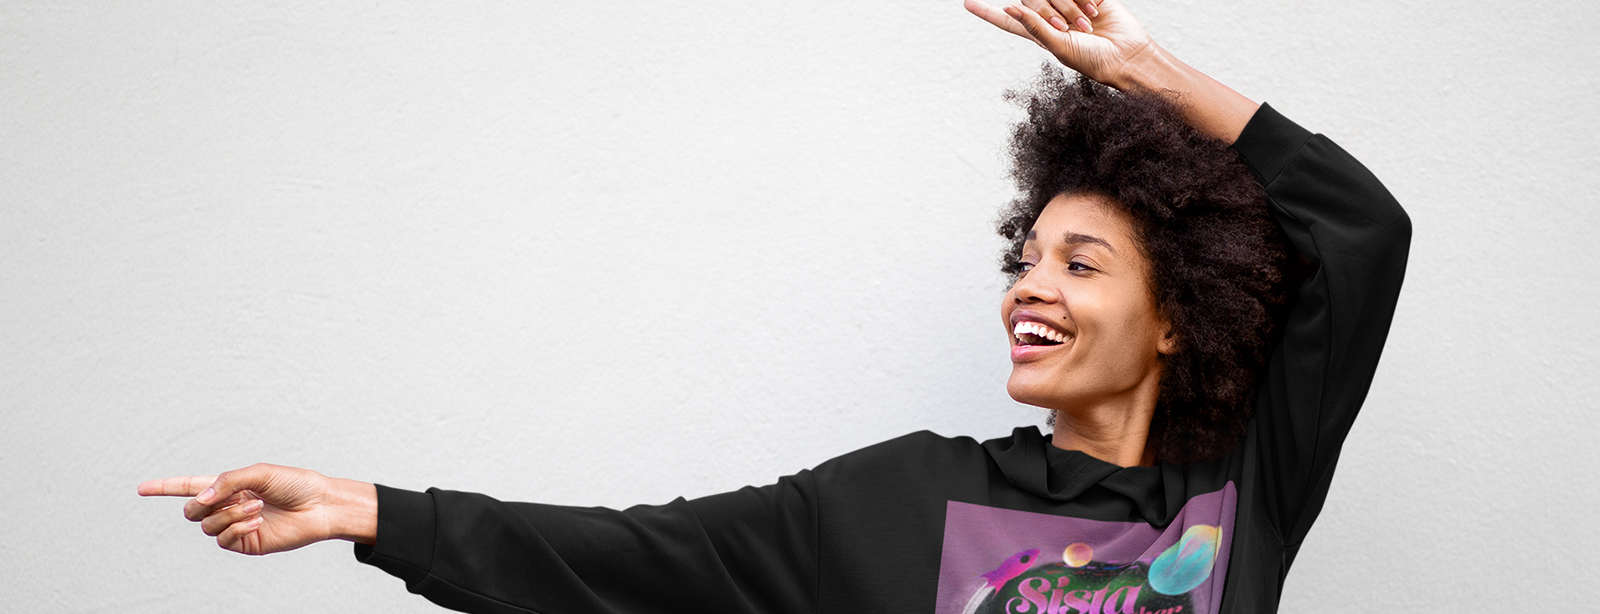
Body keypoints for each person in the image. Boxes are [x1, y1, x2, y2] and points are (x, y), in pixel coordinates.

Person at [140, 1, 1410, 612]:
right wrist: (371, 510)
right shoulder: (904, 495)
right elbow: (640, 555)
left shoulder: (1238, 488)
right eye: (1025, 256)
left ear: (1180, 311)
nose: (1030, 281)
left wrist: (1143, 70)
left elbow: (1362, 229)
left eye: (1081, 263)